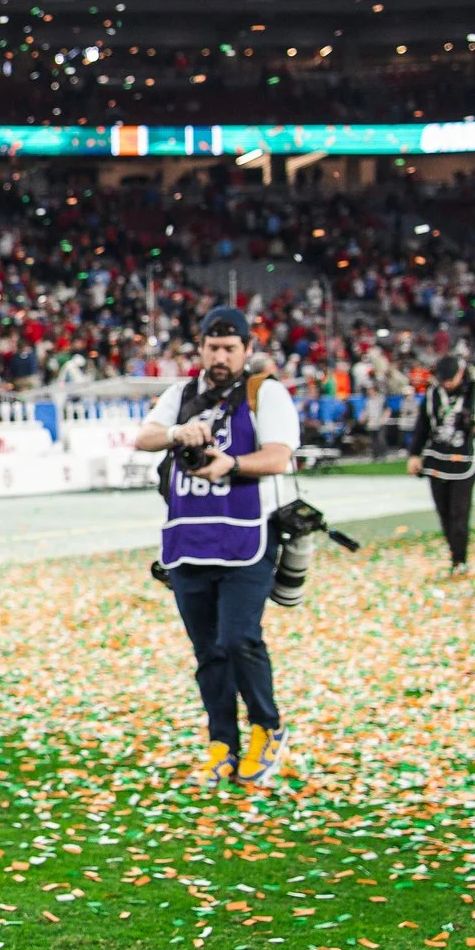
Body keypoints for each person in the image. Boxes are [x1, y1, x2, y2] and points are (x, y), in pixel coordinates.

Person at [131, 304, 302, 785]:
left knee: (238, 638)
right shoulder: (182, 393)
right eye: (213, 347)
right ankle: (221, 742)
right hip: (188, 538)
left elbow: (278, 456)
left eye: (230, 347)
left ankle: (267, 729)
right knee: (208, 650)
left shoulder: (264, 393)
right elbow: (142, 436)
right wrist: (175, 432)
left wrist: (231, 464)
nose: (221, 355)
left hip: (249, 535)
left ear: (248, 349)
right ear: (201, 349)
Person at [405, 351, 475, 570]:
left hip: (464, 458)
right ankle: (454, 554)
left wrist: (474, 425)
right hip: (437, 459)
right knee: (444, 512)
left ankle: (460, 559)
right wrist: (414, 455)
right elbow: (423, 426)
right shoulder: (432, 395)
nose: (447, 383)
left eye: (451, 379)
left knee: (459, 512)